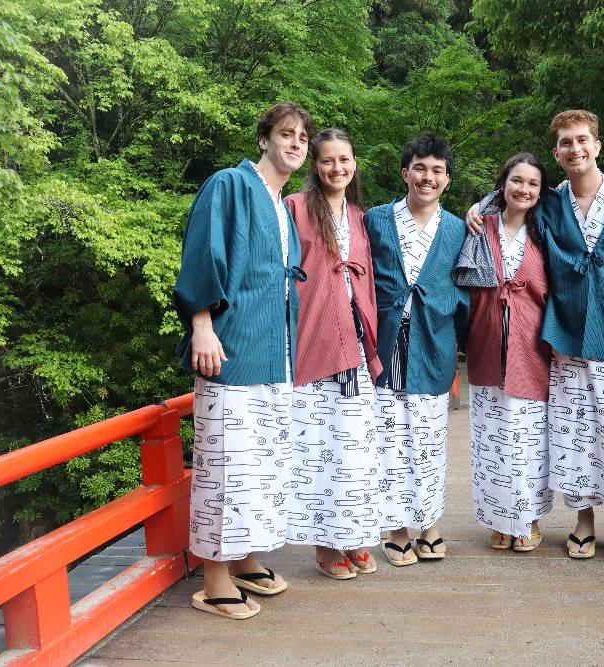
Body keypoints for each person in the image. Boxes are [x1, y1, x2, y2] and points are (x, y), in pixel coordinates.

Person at [469, 111, 604, 562]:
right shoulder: (551, 202)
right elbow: (513, 197)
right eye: (566, 143)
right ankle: (583, 521)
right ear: (557, 152)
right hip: (566, 334)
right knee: (574, 433)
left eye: (582, 140)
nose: (575, 149)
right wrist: (478, 207)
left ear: (598, 144)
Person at [174, 101, 315, 618]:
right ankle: (213, 580)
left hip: (274, 351)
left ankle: (245, 558)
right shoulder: (228, 185)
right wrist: (202, 325)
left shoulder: (282, 205)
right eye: (286, 133)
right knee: (228, 466)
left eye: (302, 136)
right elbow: (202, 254)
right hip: (230, 347)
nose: (295, 143)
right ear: (264, 139)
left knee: (263, 464)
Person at [365, 132, 470, 565]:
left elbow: (466, 285)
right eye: (420, 169)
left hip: (432, 338)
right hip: (387, 337)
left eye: (437, 171)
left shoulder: (459, 227)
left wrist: (447, 311)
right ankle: (395, 525)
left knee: (428, 435)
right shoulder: (375, 219)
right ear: (405, 172)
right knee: (388, 433)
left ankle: (429, 522)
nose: (428, 178)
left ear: (447, 178)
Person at [284, 129, 383, 579]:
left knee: (355, 447)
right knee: (320, 448)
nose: (337, 168)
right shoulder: (295, 209)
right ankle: (325, 544)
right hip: (316, 342)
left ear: (354, 163)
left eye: (345, 159)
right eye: (327, 160)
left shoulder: (360, 218)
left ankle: (353, 534)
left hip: (357, 347)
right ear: (315, 165)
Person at [462, 153, 554, 551]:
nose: (524, 190)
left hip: (530, 344)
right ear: (503, 184)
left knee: (528, 435)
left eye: (533, 183)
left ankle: (527, 517)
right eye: (517, 181)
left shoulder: (547, 229)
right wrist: (479, 205)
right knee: (491, 437)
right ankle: (500, 518)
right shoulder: (482, 226)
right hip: (486, 339)